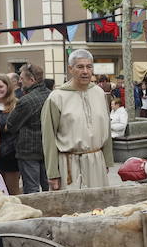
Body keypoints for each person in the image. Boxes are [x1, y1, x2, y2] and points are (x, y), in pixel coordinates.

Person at [43, 50, 112, 190]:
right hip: (68, 164)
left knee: (99, 206)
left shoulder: (99, 93)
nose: (85, 71)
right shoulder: (56, 97)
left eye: (89, 67)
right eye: (80, 67)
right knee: (72, 209)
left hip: (96, 160)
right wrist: (52, 173)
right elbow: (48, 137)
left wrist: (107, 161)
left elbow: (106, 127)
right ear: (70, 69)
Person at [8, 63, 52, 194]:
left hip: (29, 151)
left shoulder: (26, 101)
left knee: (32, 190)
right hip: (49, 149)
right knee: (49, 187)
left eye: (22, 79)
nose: (20, 82)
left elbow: (11, 125)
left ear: (31, 80)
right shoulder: (52, 95)